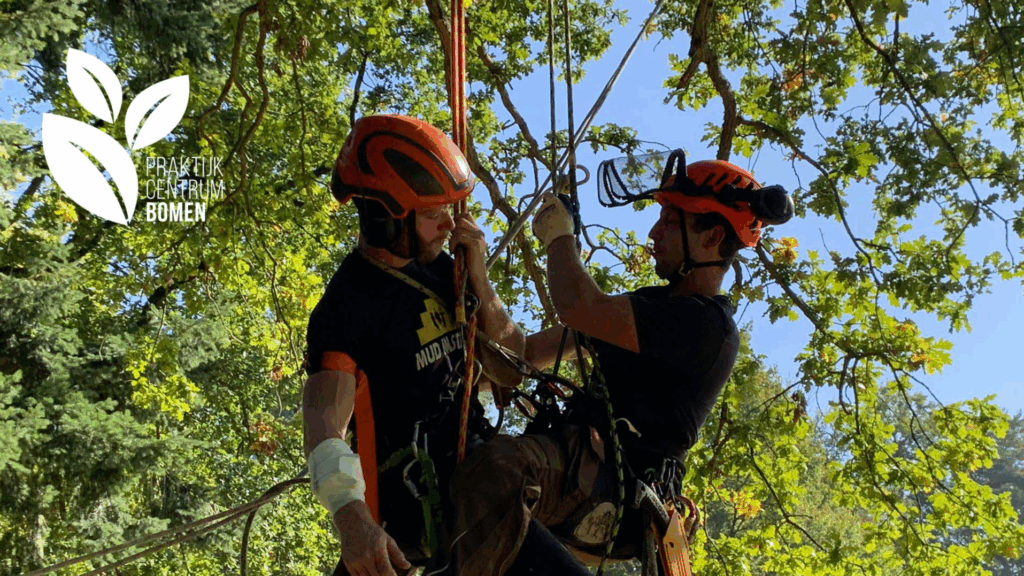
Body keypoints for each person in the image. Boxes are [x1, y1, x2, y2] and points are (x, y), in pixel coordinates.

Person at [448, 150, 794, 576]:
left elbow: (578, 304)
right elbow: (520, 355)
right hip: (581, 473)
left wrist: (561, 238)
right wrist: (478, 278)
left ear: (709, 238)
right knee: (457, 459)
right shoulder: (649, 305)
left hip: (618, 492)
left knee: (501, 469)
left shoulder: (706, 327)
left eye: (671, 221)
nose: (654, 232)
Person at [302, 114, 525, 576]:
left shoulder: (449, 270)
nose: (448, 224)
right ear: (386, 218)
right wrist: (352, 521)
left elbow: (511, 369)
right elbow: (325, 427)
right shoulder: (348, 306)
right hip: (415, 506)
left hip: (485, 478)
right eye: (431, 213)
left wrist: (479, 279)